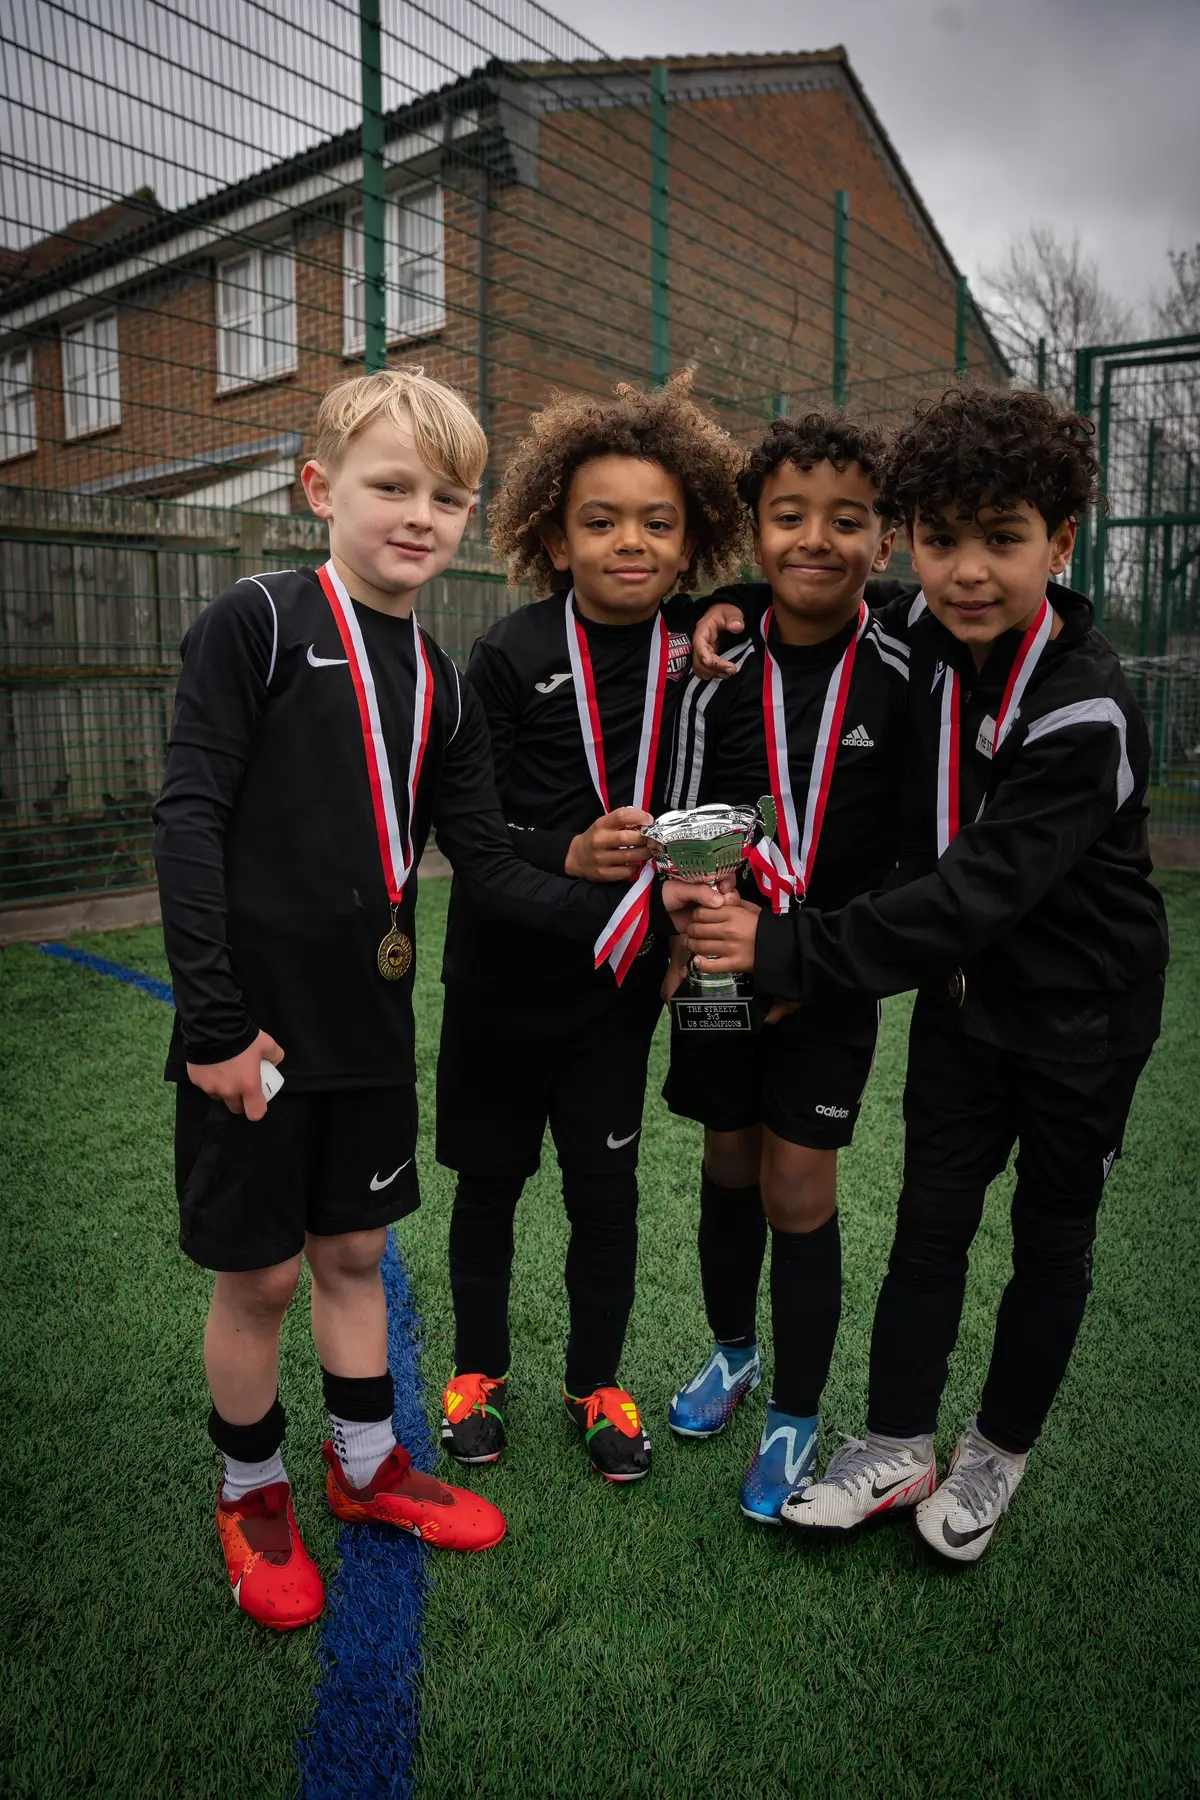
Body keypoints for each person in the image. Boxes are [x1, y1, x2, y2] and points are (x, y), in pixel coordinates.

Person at [155, 368, 637, 1629]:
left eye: (449, 496)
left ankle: (365, 1466)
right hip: (251, 1031)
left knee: (356, 1252)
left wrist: (622, 918)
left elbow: (483, 855)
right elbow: (192, 820)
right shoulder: (254, 621)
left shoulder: (439, 674)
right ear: (321, 489)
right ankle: (252, 1489)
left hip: (369, 1027)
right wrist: (209, 1019)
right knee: (259, 1280)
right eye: (391, 486)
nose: (420, 514)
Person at [679, 386, 1169, 1561]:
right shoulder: (931, 639)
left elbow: (972, 893)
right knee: (928, 1230)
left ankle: (995, 1453)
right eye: (943, 540)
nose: (966, 573)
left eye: (1002, 541)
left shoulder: (1085, 707)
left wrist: (785, 950)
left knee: (1051, 1240)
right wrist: (738, 601)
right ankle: (897, 1441)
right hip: (961, 1005)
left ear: (1060, 542)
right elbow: (821, 589)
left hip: (1079, 1023)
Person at [436, 374, 748, 1483]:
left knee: (603, 1194)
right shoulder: (511, 655)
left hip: (613, 994)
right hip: (498, 980)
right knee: (489, 1188)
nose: (631, 542)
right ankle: (476, 1372)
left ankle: (596, 1381)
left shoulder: (705, 644)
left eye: (658, 524)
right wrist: (561, 852)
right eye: (600, 521)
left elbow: (809, 606)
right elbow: (468, 838)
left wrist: (674, 937)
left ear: (691, 540)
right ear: (554, 541)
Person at [659, 412, 907, 1523]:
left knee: (798, 1186)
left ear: (885, 539)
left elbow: (911, 850)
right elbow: (691, 814)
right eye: (789, 518)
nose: (817, 539)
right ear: (755, 538)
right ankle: (731, 1355)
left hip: (833, 970)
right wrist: (705, 921)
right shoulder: (719, 669)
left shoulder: (908, 673)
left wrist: (806, 956)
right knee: (725, 1156)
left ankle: (797, 1412)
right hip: (721, 963)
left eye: (846, 520)